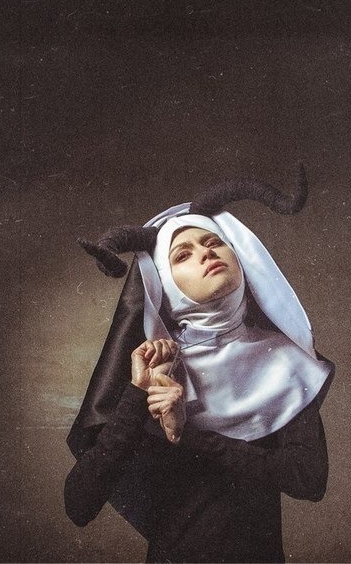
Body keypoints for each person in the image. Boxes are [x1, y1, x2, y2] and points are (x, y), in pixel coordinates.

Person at [64, 169, 334, 563]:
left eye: (213, 242)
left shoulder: (286, 361)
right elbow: (78, 504)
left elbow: (309, 480)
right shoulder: (154, 370)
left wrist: (186, 434)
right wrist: (137, 396)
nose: (206, 253)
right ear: (165, 282)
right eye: (182, 255)